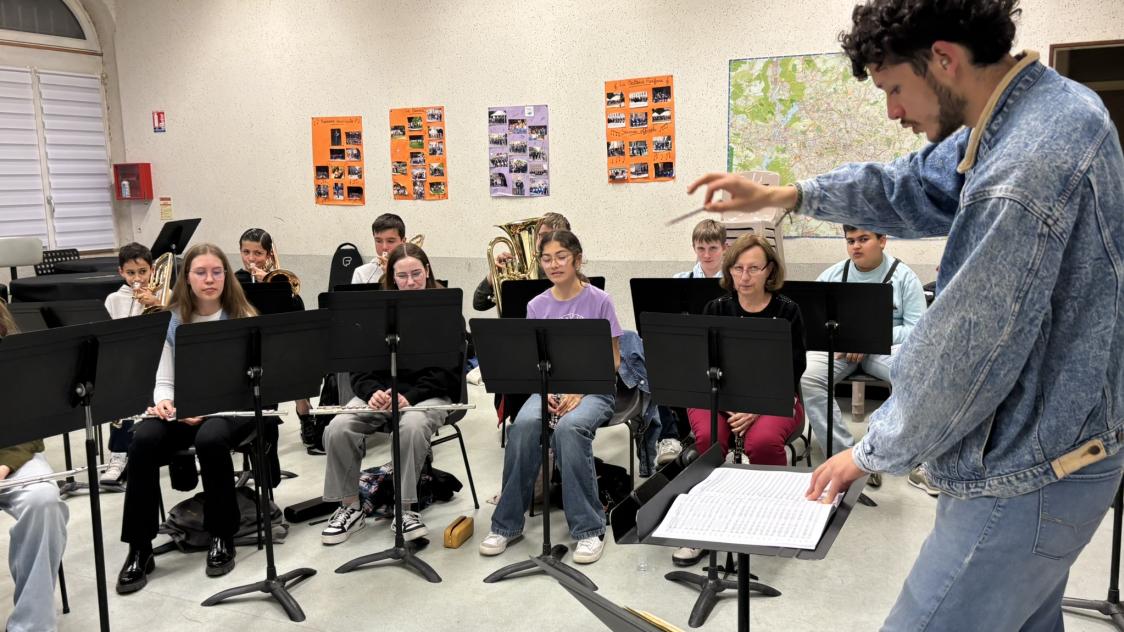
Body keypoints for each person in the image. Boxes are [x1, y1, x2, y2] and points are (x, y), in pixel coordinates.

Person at [688, 1, 1124, 628]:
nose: (892, 112)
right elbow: (914, 184)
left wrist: (866, 452)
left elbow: (966, 351)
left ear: (944, 60)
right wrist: (794, 195)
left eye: (895, 88)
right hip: (1063, 455)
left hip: (1028, 473)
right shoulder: (1040, 110)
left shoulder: (1023, 166)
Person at [116, 243, 261, 594]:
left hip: (229, 409)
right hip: (182, 408)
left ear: (226, 276)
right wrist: (164, 401)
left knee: (211, 439)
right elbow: (163, 378)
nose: (209, 279)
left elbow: (245, 382)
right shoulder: (172, 319)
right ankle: (140, 547)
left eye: (216, 271)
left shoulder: (242, 317)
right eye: (201, 272)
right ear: (188, 278)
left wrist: (204, 408)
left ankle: (221, 534)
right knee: (144, 440)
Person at [479, 230, 621, 565]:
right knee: (524, 424)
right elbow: (533, 362)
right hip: (548, 389)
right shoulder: (536, 305)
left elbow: (613, 359)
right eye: (546, 258)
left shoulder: (600, 300)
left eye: (560, 256)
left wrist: (578, 391)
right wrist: (545, 394)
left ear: (577, 259)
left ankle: (589, 529)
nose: (553, 264)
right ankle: (506, 524)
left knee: (570, 429)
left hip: (594, 388)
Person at [674, 234, 806, 567]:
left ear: (769, 271)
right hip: (719, 395)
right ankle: (705, 523)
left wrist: (756, 406)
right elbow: (704, 366)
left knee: (761, 441)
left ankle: (774, 514)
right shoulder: (716, 308)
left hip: (774, 397)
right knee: (709, 439)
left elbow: (793, 370)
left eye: (753, 269)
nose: (744, 277)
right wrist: (734, 403)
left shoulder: (787, 311)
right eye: (737, 268)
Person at [319, 243, 458, 545]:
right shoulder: (371, 314)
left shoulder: (445, 313)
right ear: (391, 277)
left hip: (427, 395)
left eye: (416, 274)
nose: (410, 282)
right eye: (402, 275)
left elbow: (448, 373)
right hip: (379, 394)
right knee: (338, 427)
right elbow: (359, 369)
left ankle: (406, 509)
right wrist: (373, 393)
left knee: (411, 426)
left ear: (428, 271)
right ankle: (350, 507)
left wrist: (408, 396)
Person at [799, 225, 926, 490]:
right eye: (851, 241)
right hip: (841, 347)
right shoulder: (833, 275)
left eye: (863, 239)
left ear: (882, 240)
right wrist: (849, 336)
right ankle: (844, 456)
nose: (855, 246)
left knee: (916, 375)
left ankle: (873, 452)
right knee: (809, 376)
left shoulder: (904, 277)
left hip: (886, 348)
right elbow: (812, 321)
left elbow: (918, 328)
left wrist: (870, 336)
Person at [0, 302, 69, 632]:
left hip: (14, 456)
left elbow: (32, 424)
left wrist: (4, 465)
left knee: (43, 501)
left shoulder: (16, 356)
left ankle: (32, 626)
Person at [657, 219, 728, 466]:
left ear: (725, 248)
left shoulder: (734, 282)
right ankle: (671, 437)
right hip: (689, 351)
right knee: (656, 361)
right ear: (694, 248)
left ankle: (709, 437)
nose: (706, 255)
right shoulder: (680, 280)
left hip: (723, 353)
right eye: (701, 249)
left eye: (713, 249)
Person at [101, 242, 162, 485]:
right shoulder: (114, 299)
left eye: (143, 272)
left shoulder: (162, 295)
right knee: (119, 400)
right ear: (121, 273)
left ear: (152, 270)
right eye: (131, 273)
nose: (137, 278)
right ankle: (119, 454)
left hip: (157, 363)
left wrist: (155, 303)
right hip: (126, 364)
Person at [472, 212, 571, 312]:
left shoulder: (571, 275)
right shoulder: (518, 271)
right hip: (519, 326)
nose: (544, 241)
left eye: (553, 236)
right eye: (540, 235)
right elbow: (479, 304)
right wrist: (494, 274)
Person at [352, 214, 406, 284]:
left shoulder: (413, 270)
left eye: (390, 241)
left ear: (403, 242)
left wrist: (390, 275)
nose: (384, 247)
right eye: (378, 241)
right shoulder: (361, 273)